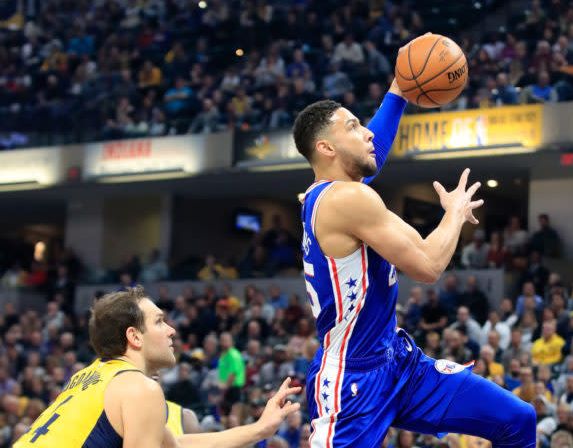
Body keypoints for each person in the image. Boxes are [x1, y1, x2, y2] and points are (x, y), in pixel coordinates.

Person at [293, 42, 536, 447]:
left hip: (398, 362)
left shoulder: (336, 193)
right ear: (326, 148)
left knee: (518, 419)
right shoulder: (346, 199)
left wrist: (401, 87)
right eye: (352, 126)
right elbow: (427, 265)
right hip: (351, 379)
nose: (367, 131)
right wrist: (455, 212)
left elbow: (377, 150)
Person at [14, 287, 300, 448]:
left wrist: (260, 429)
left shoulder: (89, 377)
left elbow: (175, 446)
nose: (172, 330)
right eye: (160, 321)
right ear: (134, 337)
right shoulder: (141, 388)